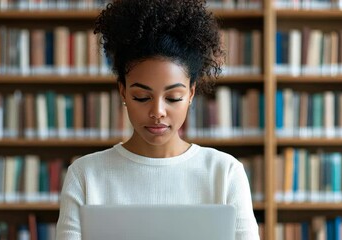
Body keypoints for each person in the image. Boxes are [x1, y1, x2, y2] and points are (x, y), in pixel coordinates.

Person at [55, 0, 260, 239]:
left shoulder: (224, 173)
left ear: (191, 93)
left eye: (173, 97)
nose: (157, 111)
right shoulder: (86, 175)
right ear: (123, 92)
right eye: (141, 97)